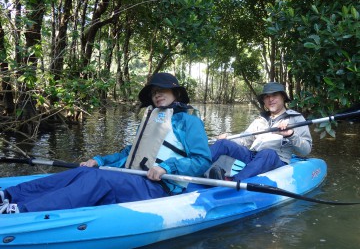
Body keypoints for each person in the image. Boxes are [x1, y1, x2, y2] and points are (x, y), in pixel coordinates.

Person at [0, 73, 212, 213]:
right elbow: (132, 152)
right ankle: (8, 195)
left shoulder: (188, 121)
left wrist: (167, 167)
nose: (157, 95)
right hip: (134, 177)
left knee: (101, 179)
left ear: (175, 93)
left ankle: (22, 211)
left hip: (160, 186)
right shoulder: (152, 118)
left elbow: (202, 160)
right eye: (154, 91)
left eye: (162, 90)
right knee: (85, 171)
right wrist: (98, 159)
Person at [206, 82, 312, 181]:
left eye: (274, 95)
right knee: (223, 143)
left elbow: (306, 150)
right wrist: (228, 138)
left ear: (283, 97)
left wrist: (291, 134)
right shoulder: (261, 119)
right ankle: (196, 168)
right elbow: (244, 139)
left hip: (276, 160)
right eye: (266, 96)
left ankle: (232, 181)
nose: (270, 99)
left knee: (267, 153)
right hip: (253, 156)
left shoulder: (296, 118)